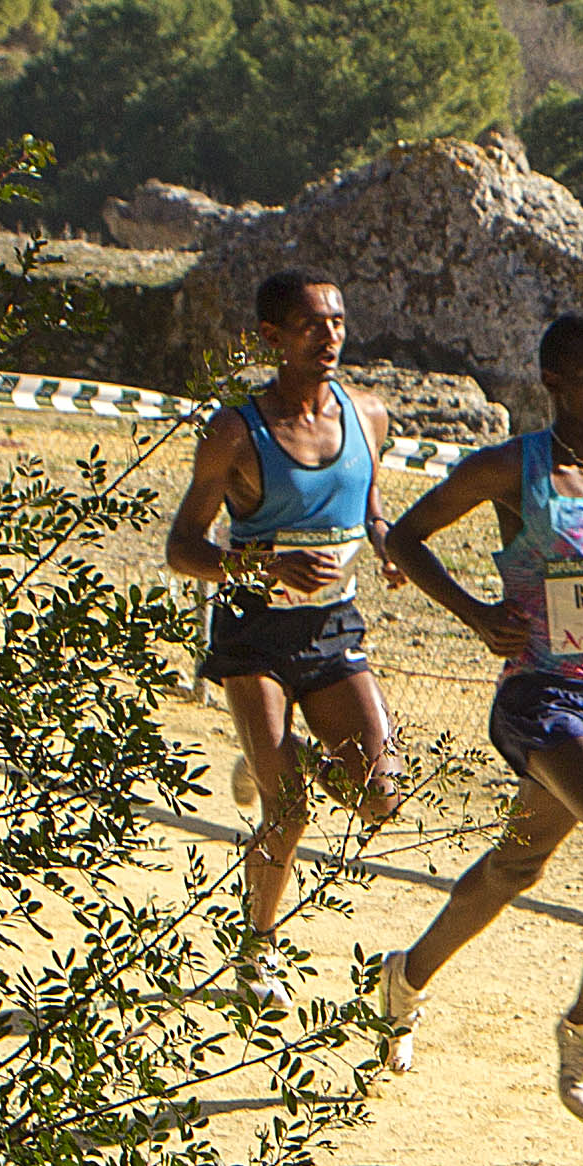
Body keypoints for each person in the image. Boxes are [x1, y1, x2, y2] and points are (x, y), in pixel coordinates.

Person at [371, 314, 583, 1124]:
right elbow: (405, 537)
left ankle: (403, 978)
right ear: (554, 382)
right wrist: (479, 614)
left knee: (519, 866)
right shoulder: (509, 470)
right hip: (539, 700)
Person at [162, 271, 403, 1003]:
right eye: (310, 324)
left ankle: (272, 757)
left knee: (382, 797)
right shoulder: (237, 430)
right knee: (290, 810)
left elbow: (366, 506)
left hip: (334, 625)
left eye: (336, 321)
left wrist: (388, 542)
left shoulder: (368, 416)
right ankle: (256, 954)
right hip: (256, 630)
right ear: (273, 337)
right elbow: (182, 547)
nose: (329, 336)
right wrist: (261, 564)